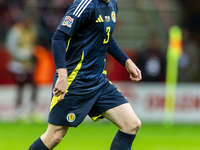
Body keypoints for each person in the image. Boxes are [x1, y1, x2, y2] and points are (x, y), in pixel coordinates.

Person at [29, 0, 142, 149]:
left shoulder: (112, 4)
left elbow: (105, 36)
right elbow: (59, 37)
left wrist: (126, 61)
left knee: (131, 124)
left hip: (98, 81)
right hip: (75, 81)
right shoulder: (84, 4)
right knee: (55, 136)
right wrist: (62, 76)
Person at [6, 15, 37, 119]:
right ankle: (19, 111)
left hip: (28, 63)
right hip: (18, 64)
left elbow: (32, 44)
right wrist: (22, 54)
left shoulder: (30, 31)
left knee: (32, 85)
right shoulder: (16, 31)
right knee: (21, 86)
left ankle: (32, 109)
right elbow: (11, 47)